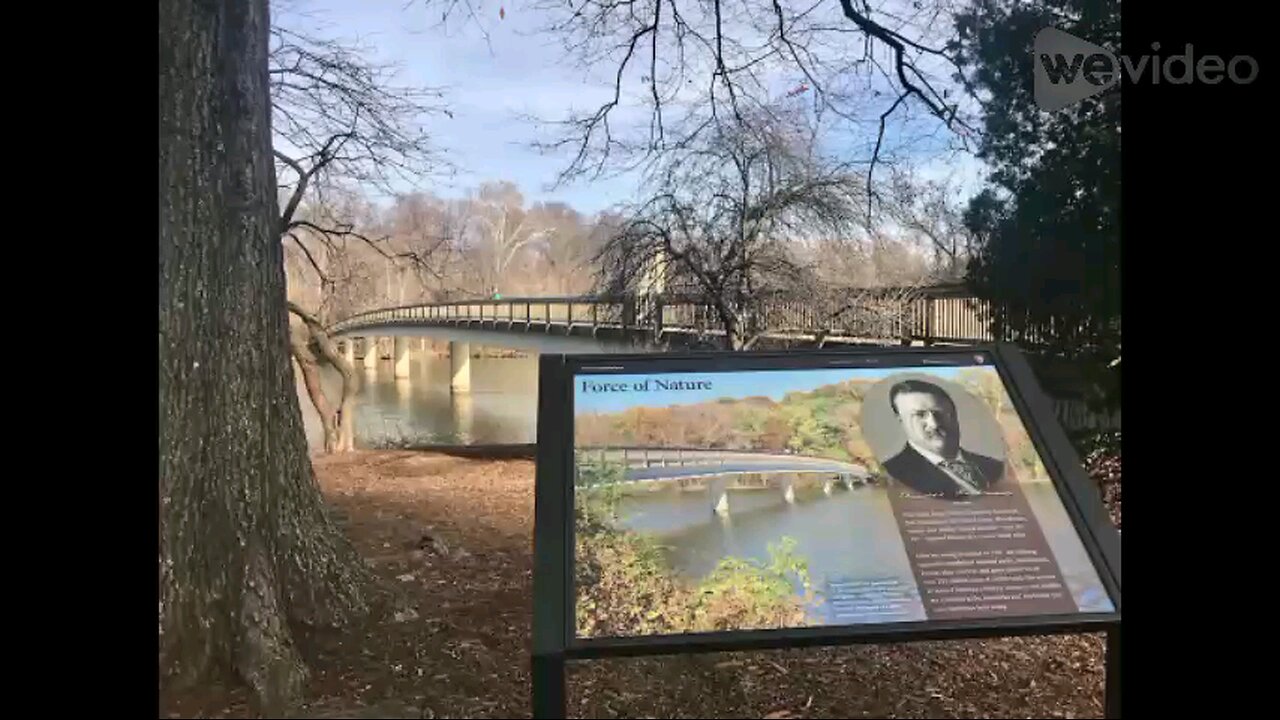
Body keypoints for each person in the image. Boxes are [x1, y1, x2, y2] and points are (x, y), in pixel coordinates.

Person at [881, 379, 1005, 499]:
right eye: (920, 415)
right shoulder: (893, 474)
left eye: (939, 413)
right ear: (900, 420)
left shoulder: (994, 467)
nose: (934, 424)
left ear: (955, 416)